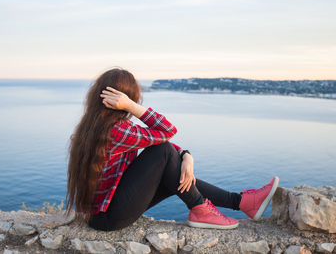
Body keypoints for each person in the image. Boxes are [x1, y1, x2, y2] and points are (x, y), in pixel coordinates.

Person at [65, 68, 279, 231]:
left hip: (101, 214)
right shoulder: (118, 130)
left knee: (173, 172)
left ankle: (239, 203)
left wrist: (185, 155)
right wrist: (133, 107)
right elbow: (167, 131)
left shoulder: (96, 127)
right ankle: (208, 208)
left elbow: (155, 140)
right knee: (167, 155)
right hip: (109, 218)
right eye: (130, 99)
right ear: (123, 100)